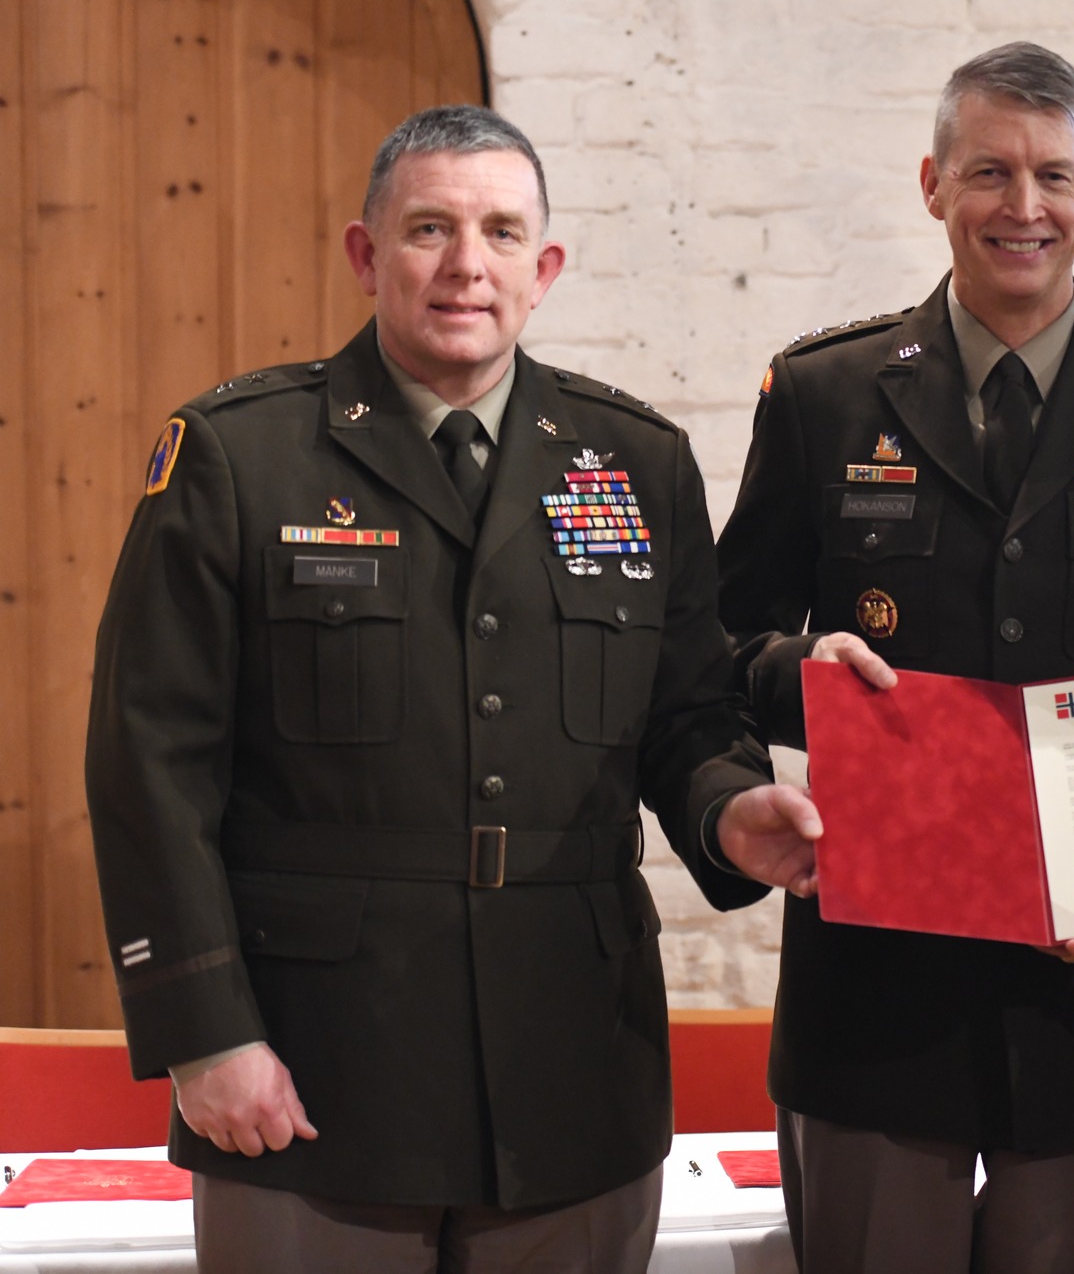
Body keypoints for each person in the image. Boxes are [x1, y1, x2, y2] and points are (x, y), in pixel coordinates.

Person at [84, 105, 819, 1272]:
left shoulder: (636, 462)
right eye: (429, 229)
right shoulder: (240, 454)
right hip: (316, 1075)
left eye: (501, 233)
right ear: (366, 254)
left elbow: (686, 712)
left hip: (572, 1065)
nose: (467, 265)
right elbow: (149, 767)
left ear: (544, 269)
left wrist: (729, 809)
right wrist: (203, 1034)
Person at [713, 42, 1074, 1273]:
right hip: (873, 997)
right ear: (931, 185)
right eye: (987, 172)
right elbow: (714, 649)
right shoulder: (822, 394)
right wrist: (801, 672)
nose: (1022, 207)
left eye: (1051, 176)